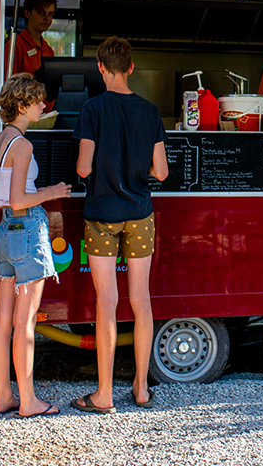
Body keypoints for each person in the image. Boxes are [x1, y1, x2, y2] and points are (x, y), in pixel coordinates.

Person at [71, 37, 168, 413]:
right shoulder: (150, 110)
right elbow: (161, 172)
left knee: (107, 302)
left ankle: (105, 395)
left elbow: (83, 168)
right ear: (130, 68)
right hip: (140, 213)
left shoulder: (92, 108)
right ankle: (141, 389)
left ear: (100, 67)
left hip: (101, 215)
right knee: (141, 301)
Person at [0, 73, 72, 417]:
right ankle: (30, 401)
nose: (43, 106)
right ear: (21, 105)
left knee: (2, 320)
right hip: (28, 230)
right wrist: (52, 192)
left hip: (4, 232)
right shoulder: (23, 146)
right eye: (37, 101)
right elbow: (21, 199)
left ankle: (4, 397)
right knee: (26, 322)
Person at [8, 0, 58, 77]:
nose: (46, 18)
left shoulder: (49, 50)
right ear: (27, 13)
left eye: (50, 14)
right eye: (41, 13)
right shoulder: (14, 47)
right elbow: (8, 82)